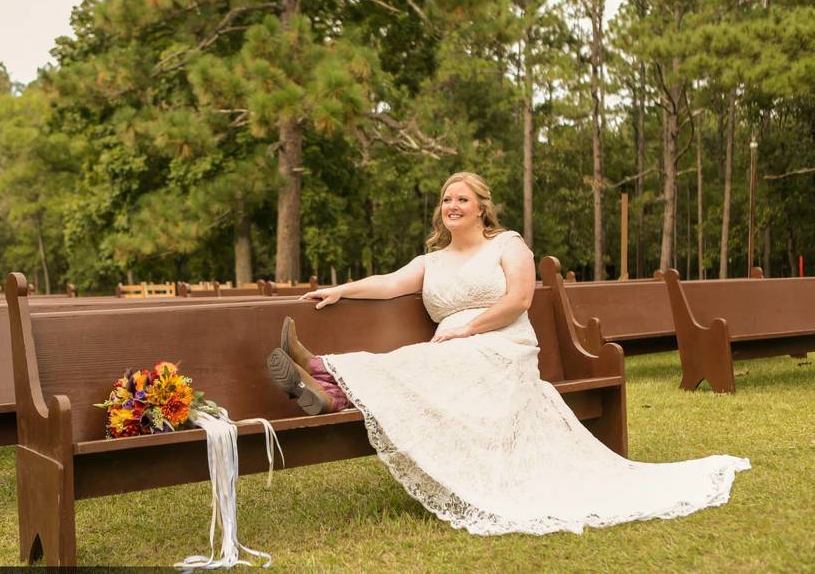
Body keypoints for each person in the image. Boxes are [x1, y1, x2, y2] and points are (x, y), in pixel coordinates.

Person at [266, 171, 750, 535]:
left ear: (481, 209)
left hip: (502, 346)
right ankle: (327, 391)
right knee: (423, 362)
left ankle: (321, 370)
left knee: (423, 360)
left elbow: (518, 300)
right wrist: (340, 290)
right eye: (445, 200)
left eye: (462, 199)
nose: (451, 205)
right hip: (449, 355)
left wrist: (470, 329)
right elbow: (390, 283)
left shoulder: (507, 246)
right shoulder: (431, 260)